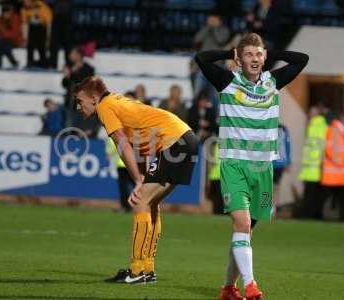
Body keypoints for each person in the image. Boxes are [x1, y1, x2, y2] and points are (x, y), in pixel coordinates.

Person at [195, 33, 308, 300]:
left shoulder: (273, 82)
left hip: (263, 168)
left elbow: (302, 60)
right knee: (243, 223)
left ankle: (227, 288)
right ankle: (251, 286)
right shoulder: (227, 81)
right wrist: (229, 55)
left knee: (245, 231)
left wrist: (272, 53)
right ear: (240, 59)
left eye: (258, 55)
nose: (255, 59)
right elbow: (201, 58)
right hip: (235, 165)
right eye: (249, 55)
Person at [73, 76, 198, 284]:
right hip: (185, 138)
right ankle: (147, 269)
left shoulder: (105, 106)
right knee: (151, 203)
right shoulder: (118, 101)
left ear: (94, 98)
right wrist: (143, 175)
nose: (78, 106)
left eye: (80, 101)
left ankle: (136, 270)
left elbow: (122, 144)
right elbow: (143, 137)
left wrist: (139, 180)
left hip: (173, 141)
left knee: (141, 201)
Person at [321, 111, 344, 222]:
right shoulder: (336, 130)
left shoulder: (341, 131)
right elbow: (334, 154)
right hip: (337, 174)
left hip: (340, 175)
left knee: (342, 201)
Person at [298, 105, 329, 219]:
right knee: (314, 193)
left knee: (312, 194)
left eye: (311, 112)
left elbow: (322, 146)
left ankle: (311, 214)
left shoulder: (317, 126)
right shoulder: (317, 126)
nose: (309, 114)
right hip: (314, 167)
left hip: (314, 168)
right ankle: (314, 214)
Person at [21, 0, 52, 68]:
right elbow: (24, 23)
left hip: (42, 28)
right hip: (32, 28)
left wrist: (48, 36)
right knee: (30, 46)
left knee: (41, 47)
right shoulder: (24, 8)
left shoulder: (42, 6)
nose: (25, 2)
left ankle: (44, 63)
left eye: (27, 1)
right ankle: (29, 62)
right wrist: (25, 37)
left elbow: (49, 23)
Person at [106, 138, 132, 212]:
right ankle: (144, 206)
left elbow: (111, 141)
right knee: (137, 186)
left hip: (122, 165)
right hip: (133, 164)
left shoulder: (118, 133)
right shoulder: (131, 131)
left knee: (123, 188)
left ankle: (125, 207)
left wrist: (108, 152)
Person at [48, 0, 72, 69]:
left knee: (67, 44)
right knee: (54, 43)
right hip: (56, 18)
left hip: (66, 19)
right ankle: (52, 64)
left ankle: (68, 65)